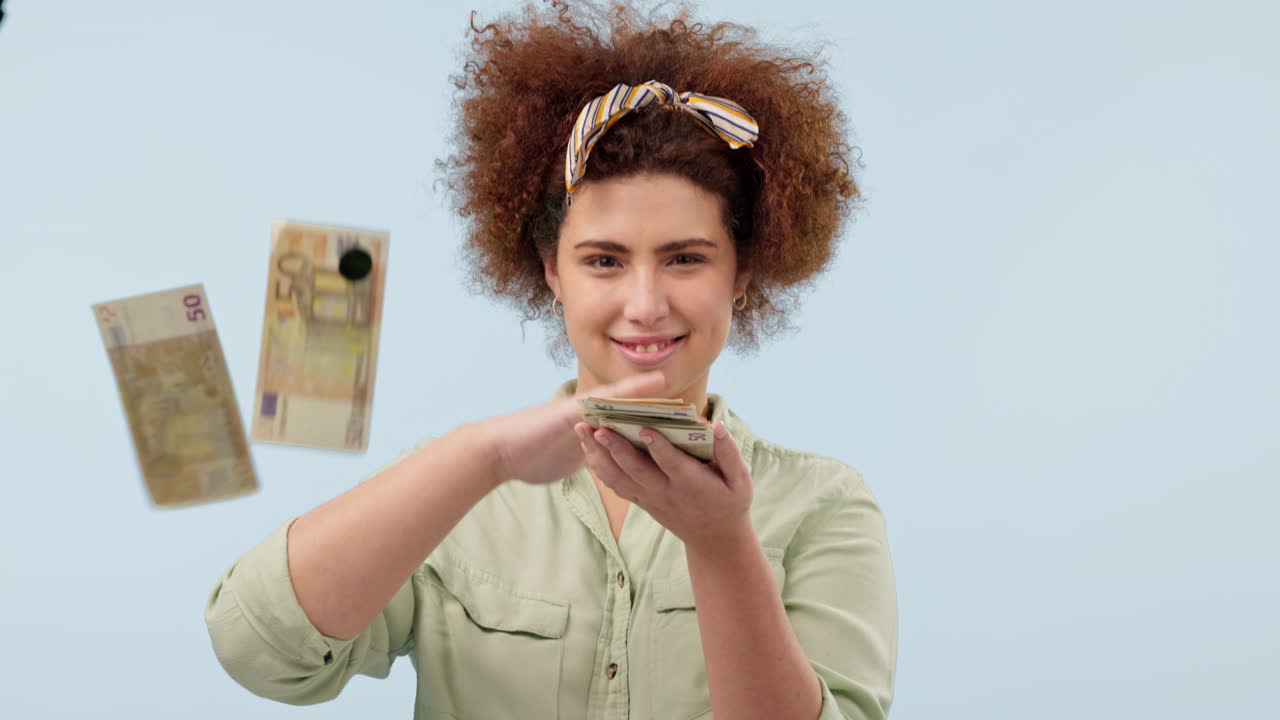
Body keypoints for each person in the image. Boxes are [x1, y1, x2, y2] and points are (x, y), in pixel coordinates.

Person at [204, 1, 897, 718]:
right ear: (551, 271)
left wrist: (722, 545)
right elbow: (256, 649)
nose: (646, 303)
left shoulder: (823, 506)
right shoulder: (458, 492)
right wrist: (485, 459)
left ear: (743, 273)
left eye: (686, 259)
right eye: (604, 261)